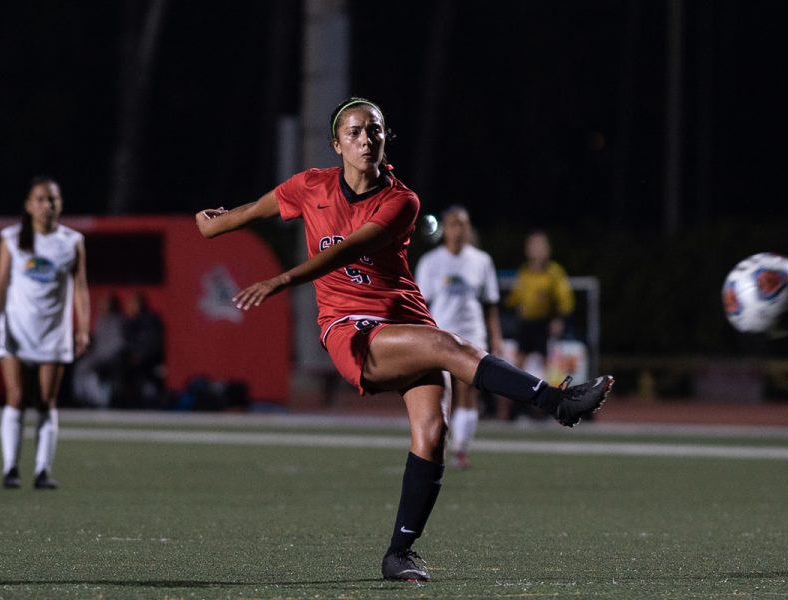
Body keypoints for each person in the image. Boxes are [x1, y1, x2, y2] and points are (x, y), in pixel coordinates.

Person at [194, 97, 613, 583]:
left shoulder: (401, 200)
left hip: (404, 321)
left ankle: (399, 553)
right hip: (349, 327)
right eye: (354, 132)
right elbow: (257, 208)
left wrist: (281, 280)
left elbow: (346, 249)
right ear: (336, 144)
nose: (365, 139)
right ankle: (556, 402)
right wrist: (214, 225)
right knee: (447, 347)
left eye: (373, 130)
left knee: (433, 433)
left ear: (385, 138)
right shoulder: (310, 186)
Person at [0, 176, 91, 489]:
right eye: (42, 199)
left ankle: (43, 470)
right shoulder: (12, 237)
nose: (48, 205)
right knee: (16, 396)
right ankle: (10, 469)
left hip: (53, 330)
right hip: (17, 327)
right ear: (29, 205)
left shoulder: (72, 241)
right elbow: (1, 284)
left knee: (46, 399)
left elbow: (81, 288)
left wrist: (83, 328)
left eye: (53, 200)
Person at [415, 205, 502, 469]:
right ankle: (439, 442)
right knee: (443, 392)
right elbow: (421, 304)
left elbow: (490, 304)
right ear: (444, 229)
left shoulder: (481, 260)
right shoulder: (430, 262)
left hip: (472, 334)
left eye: (462, 224)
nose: (458, 229)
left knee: (468, 389)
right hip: (441, 334)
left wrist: (495, 338)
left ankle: (461, 447)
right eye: (453, 224)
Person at [504, 231, 575, 419]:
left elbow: (564, 298)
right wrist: (512, 302)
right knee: (518, 366)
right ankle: (516, 407)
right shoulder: (525, 271)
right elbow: (516, 296)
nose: (536, 250)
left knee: (548, 366)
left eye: (540, 246)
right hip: (525, 324)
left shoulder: (554, 272)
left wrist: (559, 319)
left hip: (544, 324)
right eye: (533, 246)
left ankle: (550, 405)